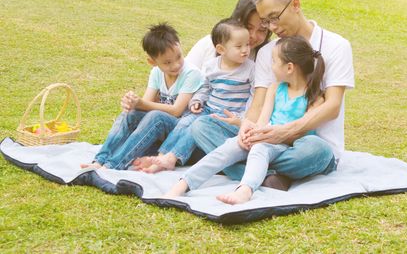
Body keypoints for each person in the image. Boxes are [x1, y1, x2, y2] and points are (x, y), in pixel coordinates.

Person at [190, 0, 355, 190]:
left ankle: (244, 168)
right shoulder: (268, 53)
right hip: (266, 141)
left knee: (316, 150)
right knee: (202, 127)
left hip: (306, 144)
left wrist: (285, 132)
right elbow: (258, 104)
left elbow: (332, 107)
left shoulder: (337, 46)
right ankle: (268, 177)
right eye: (266, 22)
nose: (272, 27)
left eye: (274, 18)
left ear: (295, 5)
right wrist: (247, 131)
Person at [162, 36, 325, 204]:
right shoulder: (275, 88)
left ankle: (245, 189)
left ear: (289, 67)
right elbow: (262, 121)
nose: (272, 66)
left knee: (261, 149)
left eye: (274, 61)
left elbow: (302, 131)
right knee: (228, 148)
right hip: (263, 138)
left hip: (285, 146)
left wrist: (267, 137)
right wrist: (248, 131)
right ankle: (183, 184)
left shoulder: (315, 98)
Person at [135, 18, 255, 173]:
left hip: (229, 115)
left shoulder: (251, 69)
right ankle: (162, 155)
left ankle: (172, 158)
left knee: (196, 127)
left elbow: (253, 96)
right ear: (221, 49)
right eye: (239, 46)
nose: (245, 50)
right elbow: (205, 87)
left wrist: (243, 117)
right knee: (187, 121)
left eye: (247, 44)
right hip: (208, 109)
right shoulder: (211, 66)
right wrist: (197, 101)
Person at [80, 23, 203, 170]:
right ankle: (99, 161)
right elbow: (146, 104)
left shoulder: (191, 73)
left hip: (181, 131)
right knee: (130, 114)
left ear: (180, 46)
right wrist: (133, 103)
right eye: (168, 62)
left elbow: (177, 111)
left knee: (156, 116)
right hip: (163, 127)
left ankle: (113, 165)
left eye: (179, 57)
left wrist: (141, 103)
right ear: (152, 62)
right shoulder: (157, 73)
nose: (176, 65)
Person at [185, 0, 271, 70]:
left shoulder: (269, 56)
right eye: (248, 27)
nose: (253, 36)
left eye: (262, 30)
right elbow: (184, 76)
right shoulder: (208, 44)